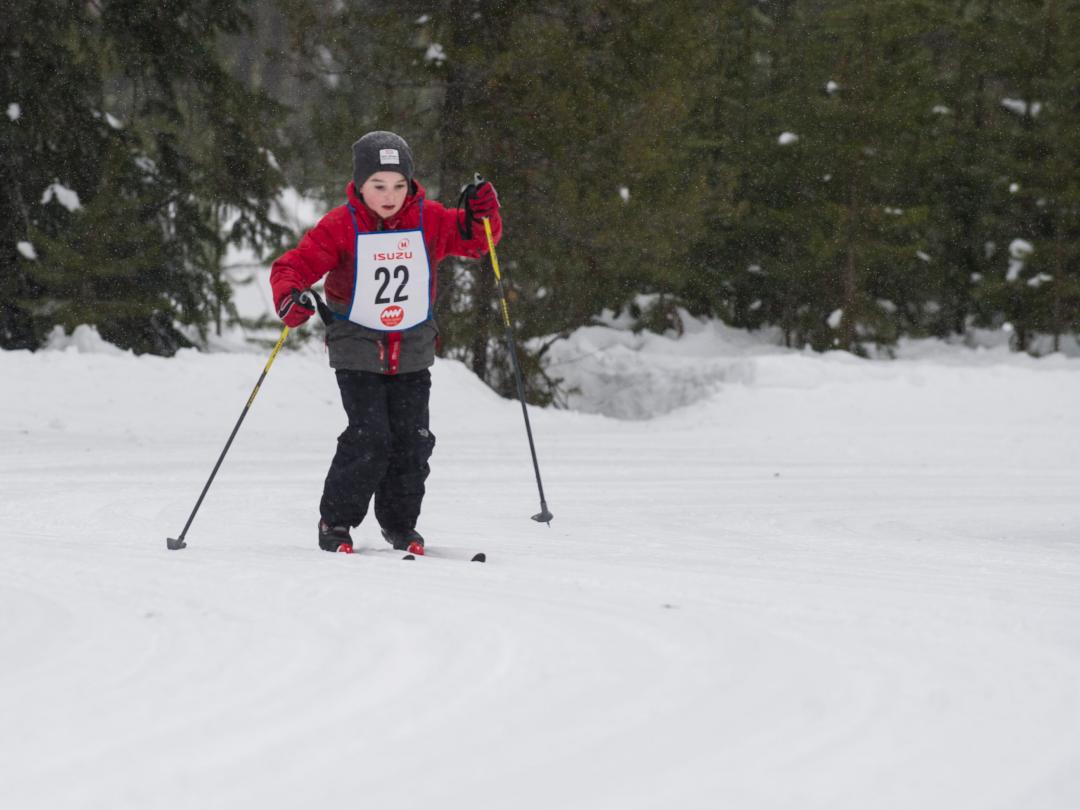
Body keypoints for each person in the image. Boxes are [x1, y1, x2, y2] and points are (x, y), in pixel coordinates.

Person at [269, 130, 501, 554]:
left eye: (398, 185)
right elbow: (295, 264)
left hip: (412, 347)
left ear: (410, 184)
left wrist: (484, 214)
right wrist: (290, 294)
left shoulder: (429, 218)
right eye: (378, 186)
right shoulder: (342, 224)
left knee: (413, 439)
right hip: (357, 345)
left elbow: (474, 241)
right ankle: (336, 521)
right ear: (359, 185)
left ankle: (399, 525)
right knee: (371, 435)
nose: (389, 195)